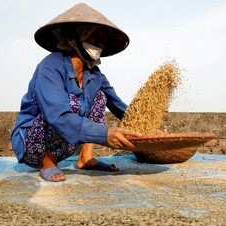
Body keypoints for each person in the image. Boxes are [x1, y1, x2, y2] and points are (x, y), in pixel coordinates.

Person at [11, 3, 141, 182]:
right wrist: (105, 134)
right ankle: (48, 162)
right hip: (33, 143)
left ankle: (85, 157)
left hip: (66, 142)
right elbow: (57, 115)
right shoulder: (50, 67)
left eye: (103, 37)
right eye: (94, 34)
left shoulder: (95, 75)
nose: (100, 41)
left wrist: (144, 127)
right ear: (75, 36)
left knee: (99, 97)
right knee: (72, 102)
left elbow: (118, 106)